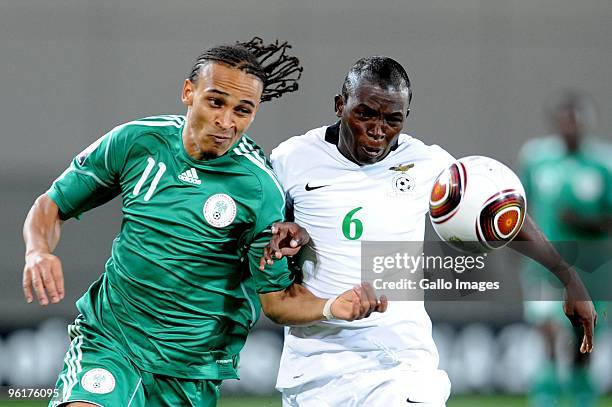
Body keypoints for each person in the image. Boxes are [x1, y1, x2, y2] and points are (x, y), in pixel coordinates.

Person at [22, 38, 386, 407]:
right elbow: (50, 206)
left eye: (242, 111)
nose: (226, 121)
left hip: (190, 372)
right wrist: (38, 251)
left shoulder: (259, 190)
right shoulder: (137, 143)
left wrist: (330, 306)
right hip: (111, 343)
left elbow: (276, 303)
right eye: (216, 102)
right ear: (188, 92)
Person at [267, 57, 597, 406]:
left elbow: (503, 215)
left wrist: (568, 277)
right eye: (365, 114)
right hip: (317, 369)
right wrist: (288, 235)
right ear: (340, 105)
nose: (378, 129)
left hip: (401, 366)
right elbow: (267, 249)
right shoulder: (291, 160)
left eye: (392, 119)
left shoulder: (428, 164)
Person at [519, 90, 612, 407]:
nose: (569, 125)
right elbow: (520, 207)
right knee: (546, 326)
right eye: (564, 118)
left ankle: (581, 387)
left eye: (575, 118)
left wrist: (586, 224)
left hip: (591, 268)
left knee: (581, 335)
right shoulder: (536, 157)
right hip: (545, 264)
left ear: (587, 122)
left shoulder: (604, 163)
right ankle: (545, 387)